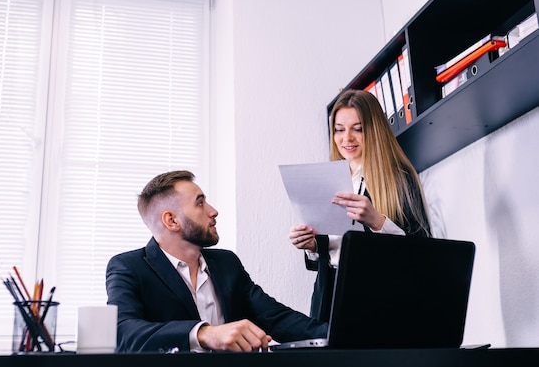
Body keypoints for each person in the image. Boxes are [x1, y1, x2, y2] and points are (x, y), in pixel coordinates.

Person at [106, 170, 327, 353]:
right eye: (200, 203)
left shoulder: (226, 263)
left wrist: (338, 335)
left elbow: (277, 317)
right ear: (171, 220)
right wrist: (203, 333)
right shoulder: (129, 267)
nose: (213, 211)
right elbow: (123, 332)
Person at [289, 89, 431, 322]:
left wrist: (377, 221)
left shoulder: (398, 178)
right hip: (329, 300)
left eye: (358, 129)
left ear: (373, 130)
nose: (347, 139)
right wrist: (312, 245)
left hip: (378, 302)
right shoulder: (328, 181)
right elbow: (333, 254)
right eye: (339, 130)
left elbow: (422, 254)